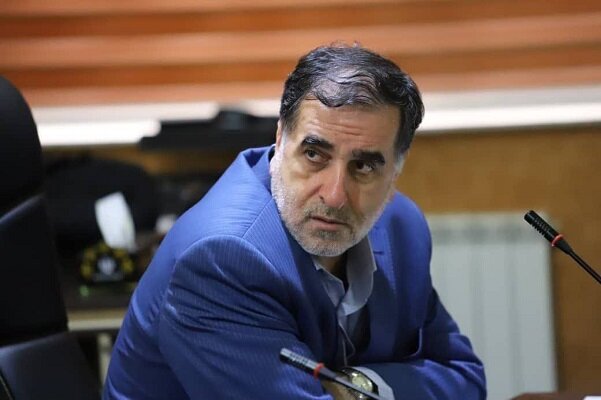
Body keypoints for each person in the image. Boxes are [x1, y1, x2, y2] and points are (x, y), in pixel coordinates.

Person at [103, 44, 486, 399]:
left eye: (364, 166)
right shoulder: (220, 259)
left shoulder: (403, 229)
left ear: (395, 174)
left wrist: (357, 386)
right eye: (315, 155)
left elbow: (466, 379)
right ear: (280, 139)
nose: (334, 195)